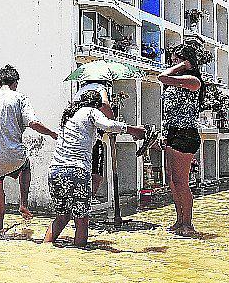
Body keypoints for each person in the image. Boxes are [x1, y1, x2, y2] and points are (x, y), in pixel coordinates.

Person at [42, 91, 146, 247]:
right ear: (98, 105)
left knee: (62, 216)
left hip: (55, 171)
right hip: (76, 171)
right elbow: (109, 125)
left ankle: (45, 248)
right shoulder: (91, 111)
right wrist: (134, 130)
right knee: (82, 219)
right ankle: (80, 255)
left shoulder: (69, 115)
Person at [0, 64, 58, 236]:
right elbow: (33, 123)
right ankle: (23, 203)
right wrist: (52, 133)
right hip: (15, 157)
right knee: (26, 165)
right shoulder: (19, 98)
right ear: (15, 83)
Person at [157, 44, 204, 237]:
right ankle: (179, 219)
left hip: (186, 134)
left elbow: (162, 77)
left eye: (176, 59)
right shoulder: (175, 82)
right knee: (173, 182)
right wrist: (163, 133)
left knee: (181, 181)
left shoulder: (193, 80)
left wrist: (182, 65)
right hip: (173, 133)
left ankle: (188, 223)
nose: (173, 62)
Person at [73, 80, 115, 198]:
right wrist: (112, 121)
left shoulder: (80, 91)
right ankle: (88, 200)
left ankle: (82, 201)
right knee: (96, 175)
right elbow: (105, 105)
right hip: (93, 138)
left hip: (77, 140)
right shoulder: (100, 88)